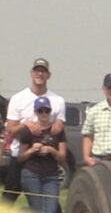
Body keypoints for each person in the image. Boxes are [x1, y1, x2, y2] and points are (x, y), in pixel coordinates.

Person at [3, 58, 66, 203]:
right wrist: (26, 125)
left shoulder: (58, 100)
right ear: (31, 73)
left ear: (48, 75)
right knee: (8, 198)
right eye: (37, 71)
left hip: (45, 158)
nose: (40, 74)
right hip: (20, 155)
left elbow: (59, 128)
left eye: (43, 71)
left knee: (50, 203)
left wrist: (57, 123)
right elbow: (11, 130)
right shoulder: (18, 98)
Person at [17, 96, 66, 213]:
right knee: (37, 211)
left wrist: (51, 151)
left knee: (51, 211)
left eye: (47, 110)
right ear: (36, 112)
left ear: (51, 112)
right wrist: (32, 150)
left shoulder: (57, 130)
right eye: (41, 110)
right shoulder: (28, 131)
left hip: (51, 174)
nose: (44, 113)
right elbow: (20, 157)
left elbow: (62, 157)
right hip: (31, 173)